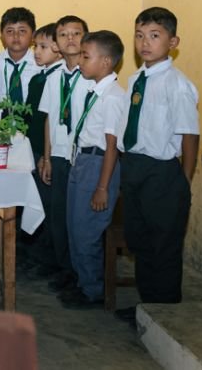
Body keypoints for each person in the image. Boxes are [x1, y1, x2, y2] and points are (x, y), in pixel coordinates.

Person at [116, 8, 199, 324]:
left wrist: (183, 181)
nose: (145, 43)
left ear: (172, 42)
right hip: (134, 166)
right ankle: (147, 308)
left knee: (164, 244)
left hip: (162, 172)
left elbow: (189, 134)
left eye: (154, 36)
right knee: (140, 241)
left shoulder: (177, 84)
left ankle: (165, 316)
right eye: (139, 36)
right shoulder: (136, 79)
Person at [60, 30, 127, 309]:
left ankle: (93, 290)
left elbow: (112, 146)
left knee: (88, 231)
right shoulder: (95, 90)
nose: (80, 61)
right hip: (84, 161)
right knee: (75, 227)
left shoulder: (113, 97)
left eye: (86, 57)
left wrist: (102, 187)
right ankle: (82, 281)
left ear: (106, 62)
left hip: (99, 165)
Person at [39, 15, 90, 293]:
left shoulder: (93, 75)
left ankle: (83, 276)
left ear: (86, 38)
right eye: (63, 35)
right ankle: (66, 271)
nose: (70, 39)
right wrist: (47, 157)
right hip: (58, 155)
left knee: (79, 221)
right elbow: (49, 118)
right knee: (59, 217)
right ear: (56, 43)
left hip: (82, 157)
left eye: (76, 33)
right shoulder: (54, 77)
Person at [24, 23, 63, 275]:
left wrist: (45, 155)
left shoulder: (59, 78)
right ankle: (36, 254)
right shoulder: (39, 78)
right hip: (34, 148)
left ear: (58, 49)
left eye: (43, 47)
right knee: (36, 202)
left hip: (47, 151)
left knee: (49, 206)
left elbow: (51, 121)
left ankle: (50, 259)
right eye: (35, 46)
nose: (36, 52)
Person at [0, 7, 41, 103]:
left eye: (22, 31)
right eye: (10, 31)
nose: (16, 36)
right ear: (2, 36)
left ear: (33, 35)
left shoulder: (40, 63)